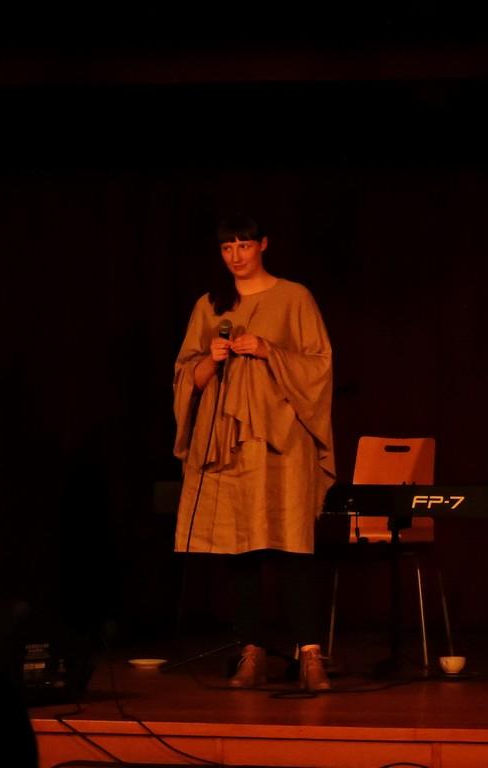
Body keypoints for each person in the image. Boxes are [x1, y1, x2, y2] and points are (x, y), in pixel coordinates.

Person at [172, 215, 336, 691]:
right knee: (238, 545)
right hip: (227, 441)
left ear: (263, 244)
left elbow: (319, 365)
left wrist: (269, 350)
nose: (236, 256)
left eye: (244, 245)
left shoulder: (295, 297)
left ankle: (310, 655)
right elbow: (186, 376)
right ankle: (251, 651)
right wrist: (211, 360)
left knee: (292, 544)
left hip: (280, 439)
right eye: (227, 248)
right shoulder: (210, 305)